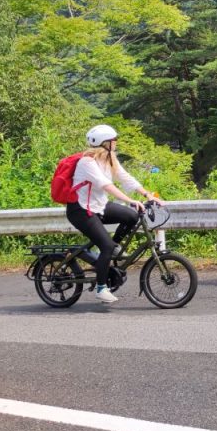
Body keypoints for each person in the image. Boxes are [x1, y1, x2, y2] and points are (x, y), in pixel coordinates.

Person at [66, 124, 162, 303]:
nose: (116, 142)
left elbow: (125, 178)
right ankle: (101, 288)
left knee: (131, 216)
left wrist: (146, 194)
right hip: (81, 210)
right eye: (113, 140)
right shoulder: (87, 162)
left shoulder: (110, 159)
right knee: (107, 247)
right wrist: (130, 200)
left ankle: (108, 249)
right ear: (105, 143)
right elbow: (106, 185)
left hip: (99, 206)